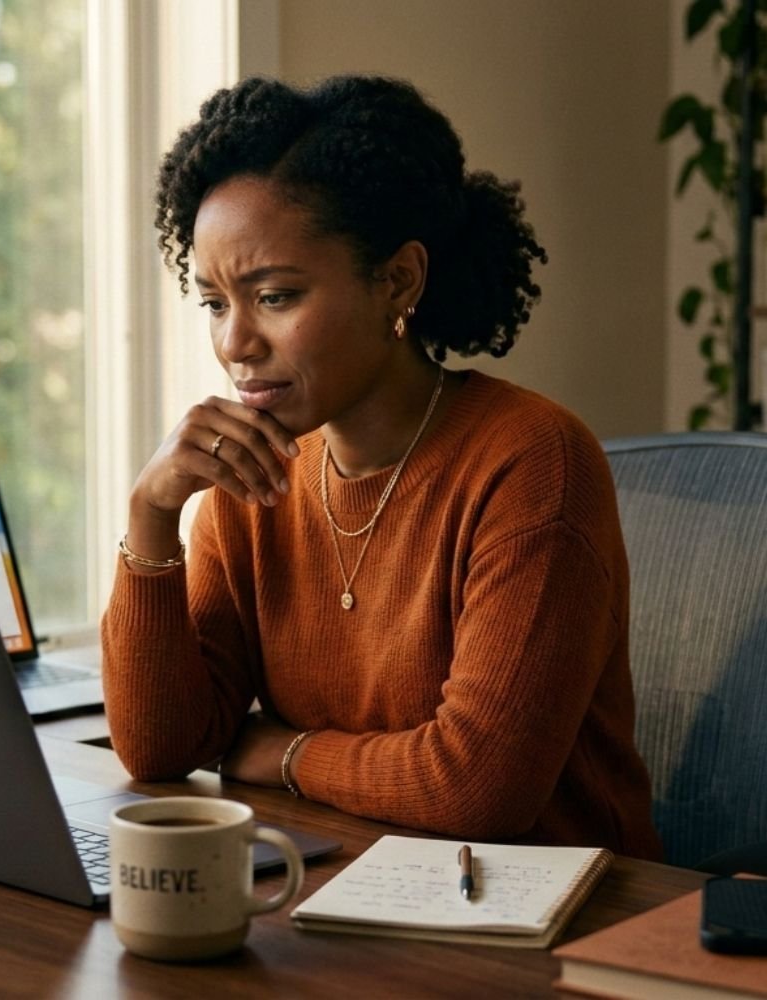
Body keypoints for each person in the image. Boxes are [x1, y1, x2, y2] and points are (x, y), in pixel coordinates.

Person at [101, 75, 661, 859]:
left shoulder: (533, 462)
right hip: (342, 885)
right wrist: (151, 518)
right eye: (214, 302)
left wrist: (281, 752)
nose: (234, 343)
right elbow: (162, 750)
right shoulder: (258, 474)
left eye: (275, 296)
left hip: (552, 920)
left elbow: (476, 786)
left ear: (397, 280)